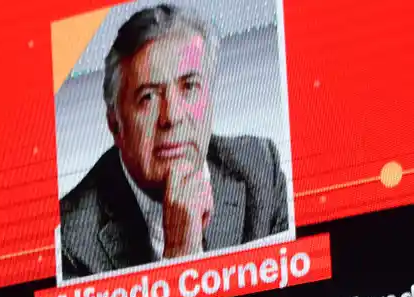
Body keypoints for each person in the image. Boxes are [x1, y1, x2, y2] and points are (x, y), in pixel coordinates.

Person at [59, 4, 289, 279]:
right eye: (148, 98)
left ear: (210, 99)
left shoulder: (259, 170)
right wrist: (180, 257)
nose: (172, 117)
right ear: (115, 124)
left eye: (189, 86)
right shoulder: (71, 242)